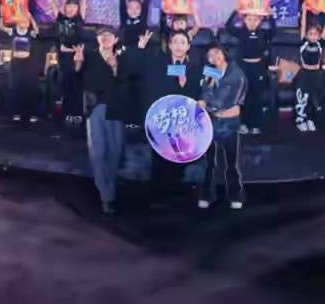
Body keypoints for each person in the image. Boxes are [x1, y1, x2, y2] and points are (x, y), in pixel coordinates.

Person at [74, 26, 142, 215]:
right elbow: (77, 79)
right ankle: (106, 196)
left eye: (109, 36)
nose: (105, 38)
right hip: (95, 109)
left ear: (115, 39)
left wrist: (114, 66)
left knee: (114, 152)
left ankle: (109, 187)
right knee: (98, 153)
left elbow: (127, 83)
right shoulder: (89, 57)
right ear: (97, 39)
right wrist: (78, 63)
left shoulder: (123, 58)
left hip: (116, 109)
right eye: (101, 36)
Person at [133, 30, 203, 208]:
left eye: (182, 43)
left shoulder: (195, 68)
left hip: (182, 123)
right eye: (175, 42)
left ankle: (176, 193)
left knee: (179, 156)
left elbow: (198, 94)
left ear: (188, 47)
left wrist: (185, 86)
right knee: (159, 157)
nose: (179, 46)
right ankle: (157, 195)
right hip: (161, 121)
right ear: (170, 45)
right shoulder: (158, 64)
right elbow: (139, 71)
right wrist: (140, 48)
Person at [197, 43, 247, 210]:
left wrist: (207, 104)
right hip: (211, 122)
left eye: (217, 53)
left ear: (224, 53)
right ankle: (206, 195)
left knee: (231, 164)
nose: (214, 57)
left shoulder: (236, 73)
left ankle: (235, 196)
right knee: (208, 163)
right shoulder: (210, 71)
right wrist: (203, 98)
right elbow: (204, 91)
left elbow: (229, 99)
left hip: (230, 123)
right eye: (210, 55)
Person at [224, 9, 276, 135]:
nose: (252, 22)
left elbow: (274, 31)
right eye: (249, 19)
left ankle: (255, 125)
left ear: (260, 21)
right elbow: (228, 26)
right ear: (244, 20)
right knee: (243, 96)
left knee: (257, 96)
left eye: (255, 20)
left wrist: (270, 16)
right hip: (244, 67)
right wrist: (236, 12)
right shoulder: (241, 32)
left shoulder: (263, 33)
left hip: (258, 67)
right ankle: (243, 124)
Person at [47, 0, 88, 125]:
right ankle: (66, 114)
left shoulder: (79, 19)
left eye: (74, 6)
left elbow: (84, 1)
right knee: (66, 85)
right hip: (64, 57)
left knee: (77, 85)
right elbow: (50, 2)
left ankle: (78, 114)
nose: (71, 9)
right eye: (69, 6)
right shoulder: (60, 19)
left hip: (77, 56)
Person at [0, 13, 40, 122]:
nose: (25, 24)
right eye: (22, 21)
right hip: (16, 63)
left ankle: (32, 113)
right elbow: (2, 27)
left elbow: (37, 30)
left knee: (29, 88)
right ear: (18, 22)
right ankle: (16, 112)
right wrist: (3, 14)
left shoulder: (30, 33)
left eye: (26, 22)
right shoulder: (13, 31)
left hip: (28, 63)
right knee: (16, 87)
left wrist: (31, 17)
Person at [293, 10, 325, 132]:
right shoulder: (303, 42)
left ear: (319, 36)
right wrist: (304, 11)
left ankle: (310, 119)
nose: (313, 36)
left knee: (314, 99)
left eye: (315, 34)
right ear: (307, 35)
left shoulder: (320, 43)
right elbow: (303, 25)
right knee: (302, 98)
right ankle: (300, 120)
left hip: (317, 74)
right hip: (304, 74)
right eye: (311, 34)